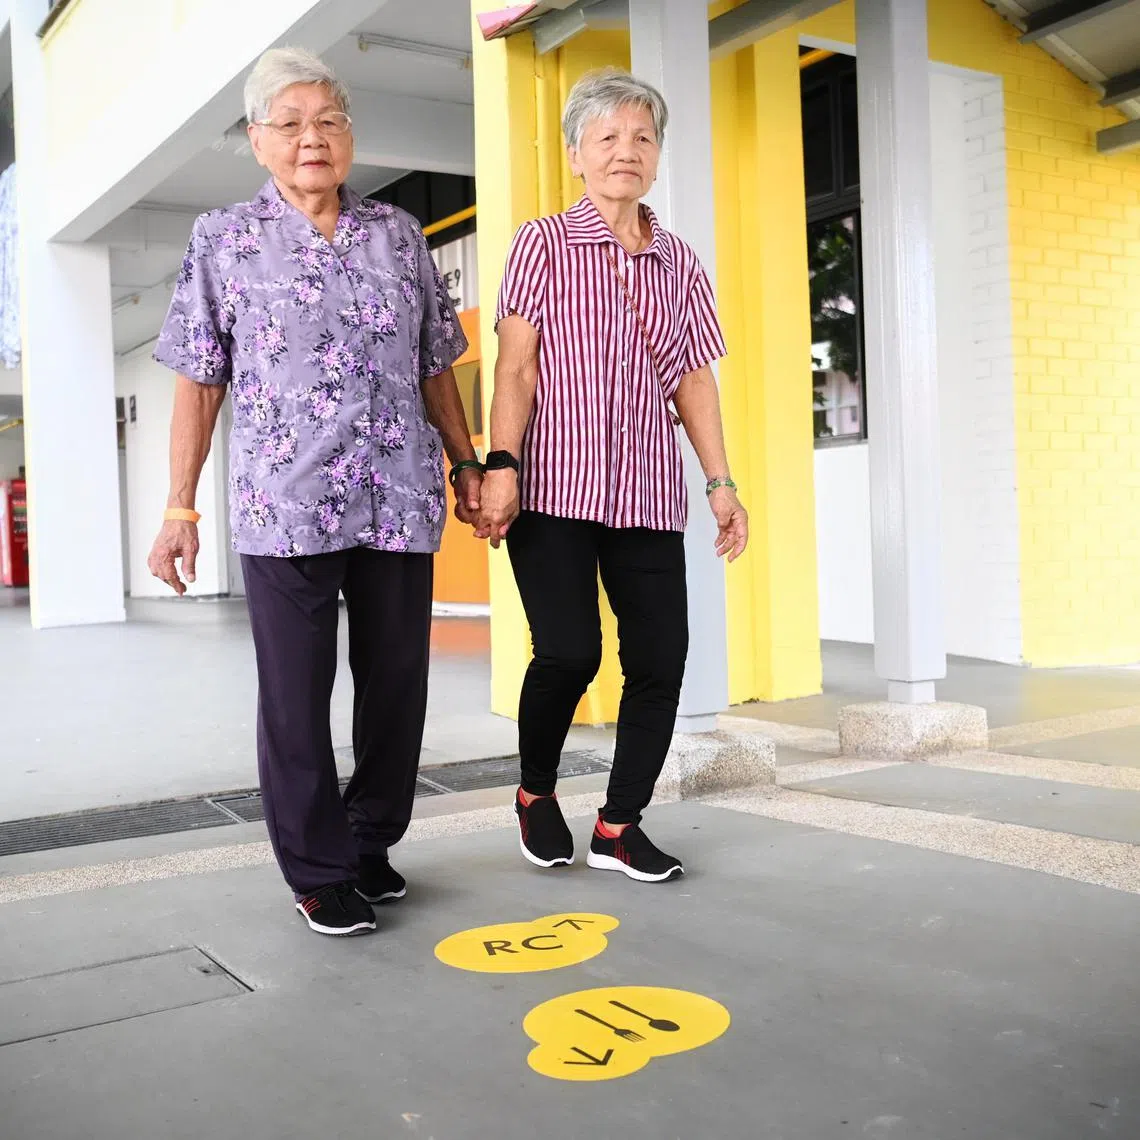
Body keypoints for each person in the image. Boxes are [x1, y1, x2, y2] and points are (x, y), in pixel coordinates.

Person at [148, 48, 481, 936]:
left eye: (328, 121)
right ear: (257, 140)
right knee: (296, 694)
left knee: (397, 684)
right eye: (289, 124)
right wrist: (179, 506)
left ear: (350, 134)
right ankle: (317, 867)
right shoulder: (224, 240)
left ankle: (371, 843)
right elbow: (197, 377)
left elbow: (435, 365)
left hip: (398, 496)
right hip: (284, 504)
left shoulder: (399, 236)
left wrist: (468, 463)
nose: (311, 139)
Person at [480, 69, 749, 883]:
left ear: (658, 155)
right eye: (608, 138)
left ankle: (619, 824)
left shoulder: (677, 261)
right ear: (576, 155)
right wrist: (501, 465)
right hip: (554, 486)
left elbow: (694, 378)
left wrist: (720, 480)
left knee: (661, 659)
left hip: (646, 494)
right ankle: (534, 794)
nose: (625, 152)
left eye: (641, 137)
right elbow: (517, 367)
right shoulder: (543, 243)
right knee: (568, 651)